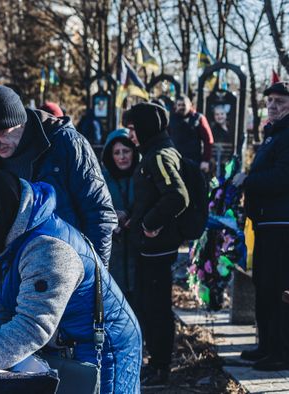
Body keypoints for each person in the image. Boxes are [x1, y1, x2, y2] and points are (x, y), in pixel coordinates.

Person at [0, 171, 141, 394]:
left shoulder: (49, 250)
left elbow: (34, 326)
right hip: (64, 342)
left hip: (102, 349)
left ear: (3, 215)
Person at [0, 85, 117, 292]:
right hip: (14, 280)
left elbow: (99, 214)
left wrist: (95, 279)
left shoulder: (66, 144)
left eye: (0, 132)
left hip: (68, 273)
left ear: (20, 122)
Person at [233, 81, 289, 371]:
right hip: (266, 221)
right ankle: (267, 345)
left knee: (280, 288)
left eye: (280, 101)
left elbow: (286, 179)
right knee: (264, 286)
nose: (272, 105)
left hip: (283, 223)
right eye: (270, 100)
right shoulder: (276, 133)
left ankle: (283, 352)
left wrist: (247, 181)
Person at [123, 103, 189, 385]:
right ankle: (156, 363)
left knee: (157, 309)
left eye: (133, 128)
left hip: (157, 249)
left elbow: (177, 195)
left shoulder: (159, 156)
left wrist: (149, 223)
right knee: (149, 306)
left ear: (146, 127)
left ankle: (161, 367)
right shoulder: (154, 152)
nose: (131, 135)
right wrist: (134, 220)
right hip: (150, 247)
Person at [101, 128, 139, 303]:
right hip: (114, 250)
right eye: (117, 152)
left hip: (137, 247)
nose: (122, 157)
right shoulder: (102, 179)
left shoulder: (141, 175)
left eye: (126, 151)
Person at [168, 95, 213, 172]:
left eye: (184, 105)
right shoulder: (171, 119)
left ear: (190, 105)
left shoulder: (198, 118)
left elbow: (208, 140)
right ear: (175, 106)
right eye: (179, 105)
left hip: (194, 161)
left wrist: (205, 160)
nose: (181, 107)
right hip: (175, 160)